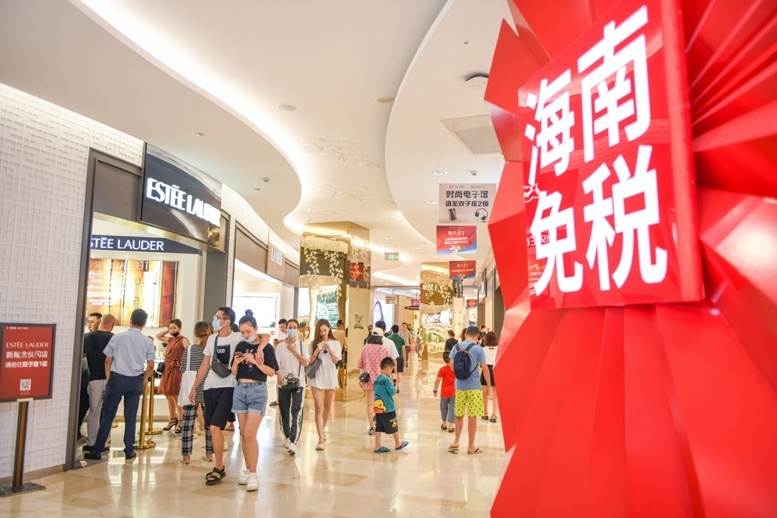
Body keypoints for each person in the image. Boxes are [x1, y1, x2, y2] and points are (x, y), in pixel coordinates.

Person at [84, 309, 155, 461]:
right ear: (144, 323)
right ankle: (129, 450)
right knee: (131, 416)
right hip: (135, 380)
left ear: (130, 320)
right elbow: (150, 366)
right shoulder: (147, 341)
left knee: (108, 415)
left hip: (116, 379)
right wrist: (144, 379)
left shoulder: (118, 337)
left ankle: (97, 449)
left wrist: (109, 377)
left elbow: (108, 360)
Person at [188, 307, 243, 485]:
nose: (215, 319)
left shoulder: (238, 338)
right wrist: (195, 386)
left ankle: (219, 467)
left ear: (227, 321)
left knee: (214, 427)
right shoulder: (212, 338)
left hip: (229, 386)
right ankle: (219, 466)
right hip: (210, 386)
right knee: (212, 428)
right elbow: (205, 364)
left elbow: (260, 337)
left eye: (218, 317)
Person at [231, 310, 278, 491]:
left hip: (257, 390)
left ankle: (253, 473)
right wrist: (237, 361)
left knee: (250, 433)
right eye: (243, 332)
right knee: (243, 433)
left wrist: (256, 361)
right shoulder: (240, 345)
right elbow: (234, 372)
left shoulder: (266, 348)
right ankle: (247, 468)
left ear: (256, 329)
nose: (245, 335)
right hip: (240, 389)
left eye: (248, 332)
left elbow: (271, 371)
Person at [448, 325, 490, 455]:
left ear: (466, 334)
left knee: (459, 415)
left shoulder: (456, 347)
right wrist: (488, 386)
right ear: (477, 336)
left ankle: (456, 442)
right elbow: (485, 368)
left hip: (459, 387)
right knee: (473, 417)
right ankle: (471, 446)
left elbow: (451, 367)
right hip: (475, 388)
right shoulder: (478, 349)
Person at [179, 321, 213, 465]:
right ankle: (209, 453)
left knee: (187, 423)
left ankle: (186, 456)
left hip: (192, 388)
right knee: (209, 423)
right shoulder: (212, 350)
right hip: (208, 388)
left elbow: (182, 368)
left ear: (195, 333)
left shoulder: (190, 349)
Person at [82, 313, 115, 452]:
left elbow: (82, 355)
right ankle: (105, 442)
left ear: (100, 322)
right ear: (113, 325)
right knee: (107, 413)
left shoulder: (87, 337)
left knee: (94, 412)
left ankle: (92, 442)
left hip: (94, 378)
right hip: (111, 379)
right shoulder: (115, 338)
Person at [275, 318, 309, 455]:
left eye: (294, 327)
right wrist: (279, 376)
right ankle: (287, 436)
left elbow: (306, 363)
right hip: (283, 383)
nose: (292, 329)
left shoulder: (302, 346)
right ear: (286, 328)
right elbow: (276, 365)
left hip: (298, 382)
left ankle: (294, 440)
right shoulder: (280, 347)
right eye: (290, 327)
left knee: (296, 411)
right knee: (284, 410)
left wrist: (294, 351)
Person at [308, 318, 341, 451]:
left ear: (329, 329)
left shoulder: (336, 343)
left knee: (327, 406)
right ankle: (320, 438)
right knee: (318, 406)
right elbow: (309, 362)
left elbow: (335, 361)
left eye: (325, 330)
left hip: (330, 377)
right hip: (317, 377)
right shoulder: (313, 343)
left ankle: (322, 429)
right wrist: (317, 350)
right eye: (320, 331)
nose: (323, 333)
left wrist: (329, 349)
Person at [156, 319, 189, 433]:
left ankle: (181, 421)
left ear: (180, 328)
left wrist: (182, 363)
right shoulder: (170, 339)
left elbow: (189, 352)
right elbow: (158, 336)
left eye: (174, 328)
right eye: (171, 328)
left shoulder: (183, 340)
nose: (172, 330)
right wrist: (166, 329)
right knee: (167, 394)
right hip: (167, 368)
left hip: (176, 369)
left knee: (176, 395)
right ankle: (172, 419)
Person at [358, 334, 393, 435]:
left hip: (369, 380)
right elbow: (389, 363)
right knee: (381, 403)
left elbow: (360, 364)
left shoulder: (365, 348)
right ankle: (380, 425)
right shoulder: (384, 349)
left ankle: (371, 427)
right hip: (381, 380)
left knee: (370, 404)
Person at [372, 357, 409, 453]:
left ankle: (377, 445)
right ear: (388, 368)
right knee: (394, 425)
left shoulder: (376, 379)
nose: (391, 371)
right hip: (388, 408)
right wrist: (396, 384)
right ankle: (398, 443)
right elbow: (393, 392)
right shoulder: (387, 380)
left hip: (378, 408)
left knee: (378, 427)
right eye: (392, 369)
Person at [78, 312, 103, 439]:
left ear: (100, 322)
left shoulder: (106, 338)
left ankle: (95, 438)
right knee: (83, 405)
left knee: (96, 409)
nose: (90, 324)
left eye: (93, 322)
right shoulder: (85, 337)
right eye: (89, 322)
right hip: (84, 378)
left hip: (97, 378)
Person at [433, 351, 456, 433]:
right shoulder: (456, 369)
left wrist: (435, 390)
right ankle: (451, 426)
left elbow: (437, 380)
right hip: (454, 392)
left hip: (444, 393)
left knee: (443, 408)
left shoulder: (442, 369)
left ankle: (444, 423)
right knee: (452, 408)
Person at [481, 331, 499, 423]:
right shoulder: (499, 349)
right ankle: (494, 415)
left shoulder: (483, 349)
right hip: (496, 370)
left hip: (486, 369)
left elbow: (481, 363)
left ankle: (485, 413)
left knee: (485, 393)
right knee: (495, 394)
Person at [387, 324, 406, 393]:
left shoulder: (388, 338)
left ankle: (393, 384)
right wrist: (405, 360)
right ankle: (398, 387)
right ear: (398, 330)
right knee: (398, 373)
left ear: (392, 330)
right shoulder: (401, 340)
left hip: (391, 358)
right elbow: (403, 350)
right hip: (399, 358)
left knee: (391, 373)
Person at [332, 319, 348, 388]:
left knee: (333, 371)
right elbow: (346, 344)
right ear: (342, 325)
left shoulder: (333, 333)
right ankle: (343, 385)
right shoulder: (343, 333)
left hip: (333, 354)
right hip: (341, 354)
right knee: (341, 371)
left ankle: (333, 384)